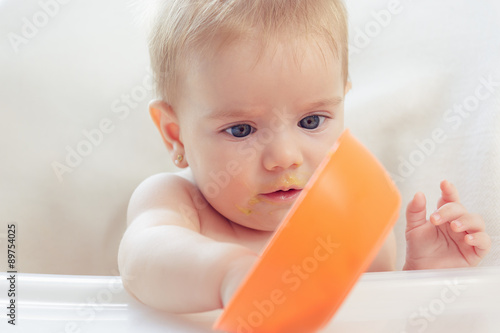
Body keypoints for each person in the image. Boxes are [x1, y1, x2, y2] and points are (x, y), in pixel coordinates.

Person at [118, 0, 491, 314]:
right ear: (175, 134)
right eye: (241, 130)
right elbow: (142, 260)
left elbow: (373, 318)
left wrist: (426, 277)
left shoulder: (354, 223)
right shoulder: (180, 204)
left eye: (310, 121)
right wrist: (230, 274)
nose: (284, 157)